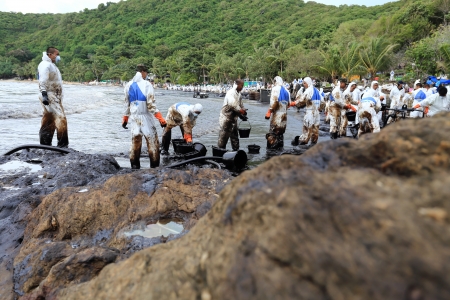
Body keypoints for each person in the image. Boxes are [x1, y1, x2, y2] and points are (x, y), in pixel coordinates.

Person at [122, 64, 166, 169]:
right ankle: (154, 168)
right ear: (142, 72)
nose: (146, 75)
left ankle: (134, 166)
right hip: (146, 117)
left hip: (134, 118)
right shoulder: (147, 84)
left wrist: (125, 119)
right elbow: (151, 105)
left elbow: (126, 104)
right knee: (152, 142)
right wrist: (161, 119)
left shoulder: (128, 85)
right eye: (146, 73)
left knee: (135, 143)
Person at [37, 47, 68, 148]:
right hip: (49, 95)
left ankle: (45, 145)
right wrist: (44, 95)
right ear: (50, 55)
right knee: (61, 118)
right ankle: (63, 145)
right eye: (56, 54)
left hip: (53, 96)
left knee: (49, 119)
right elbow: (42, 81)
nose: (58, 56)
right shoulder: (45, 65)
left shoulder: (51, 65)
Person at [290, 77, 324, 145]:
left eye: (304, 83)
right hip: (317, 114)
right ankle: (313, 146)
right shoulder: (317, 91)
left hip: (309, 113)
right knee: (315, 131)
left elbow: (302, 100)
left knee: (306, 131)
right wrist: (320, 108)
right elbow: (323, 102)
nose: (304, 85)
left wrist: (293, 103)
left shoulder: (308, 90)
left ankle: (301, 148)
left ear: (308, 83)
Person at [217, 79, 247, 151]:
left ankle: (236, 151)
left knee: (234, 136)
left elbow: (240, 105)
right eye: (241, 85)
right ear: (237, 85)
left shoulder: (238, 94)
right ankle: (220, 152)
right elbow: (232, 105)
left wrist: (243, 113)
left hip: (233, 118)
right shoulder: (231, 93)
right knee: (224, 136)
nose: (242, 87)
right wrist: (241, 111)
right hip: (226, 117)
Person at [265, 76, 290, 149]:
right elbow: (288, 104)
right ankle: (280, 151)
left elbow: (274, 102)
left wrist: (269, 111)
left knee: (272, 133)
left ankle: (271, 153)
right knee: (280, 135)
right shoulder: (287, 91)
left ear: (275, 81)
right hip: (284, 117)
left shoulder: (275, 89)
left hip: (277, 116)